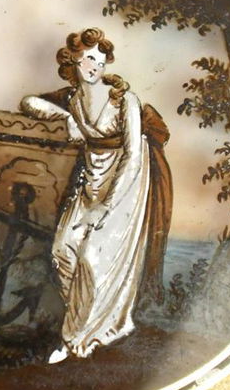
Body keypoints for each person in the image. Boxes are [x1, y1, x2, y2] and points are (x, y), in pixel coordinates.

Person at [19, 28, 172, 363]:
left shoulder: (124, 100)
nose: (95, 67)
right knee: (62, 252)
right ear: (72, 60)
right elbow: (28, 102)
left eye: (101, 62)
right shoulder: (72, 99)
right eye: (88, 59)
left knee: (93, 260)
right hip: (91, 177)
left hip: (127, 181)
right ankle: (85, 319)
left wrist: (106, 206)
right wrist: (67, 119)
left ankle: (76, 339)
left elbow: (133, 157)